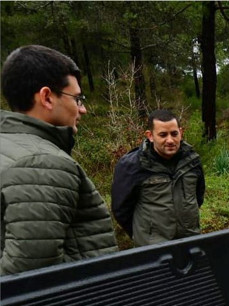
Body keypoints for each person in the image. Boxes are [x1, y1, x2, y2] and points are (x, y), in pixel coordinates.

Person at [1, 45, 117, 275]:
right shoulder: (41, 164)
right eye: (77, 98)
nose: (83, 109)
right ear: (47, 97)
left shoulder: (8, 148)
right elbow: (30, 276)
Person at [111, 109, 205, 247]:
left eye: (174, 134)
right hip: (153, 248)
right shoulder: (133, 165)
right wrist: (143, 236)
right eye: (163, 135)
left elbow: (198, 197)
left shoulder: (192, 160)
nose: (170, 140)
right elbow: (121, 209)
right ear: (150, 136)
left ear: (181, 132)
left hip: (190, 242)